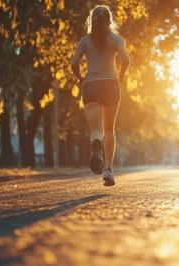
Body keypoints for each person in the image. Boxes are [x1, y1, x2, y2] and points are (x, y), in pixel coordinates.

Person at [71, 5, 130, 186]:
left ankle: (96, 142)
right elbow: (126, 60)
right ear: (110, 21)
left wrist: (81, 78)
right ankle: (108, 169)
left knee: (97, 130)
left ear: (91, 21)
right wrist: (120, 75)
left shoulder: (85, 41)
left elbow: (74, 64)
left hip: (91, 86)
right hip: (110, 86)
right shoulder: (115, 39)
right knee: (109, 130)